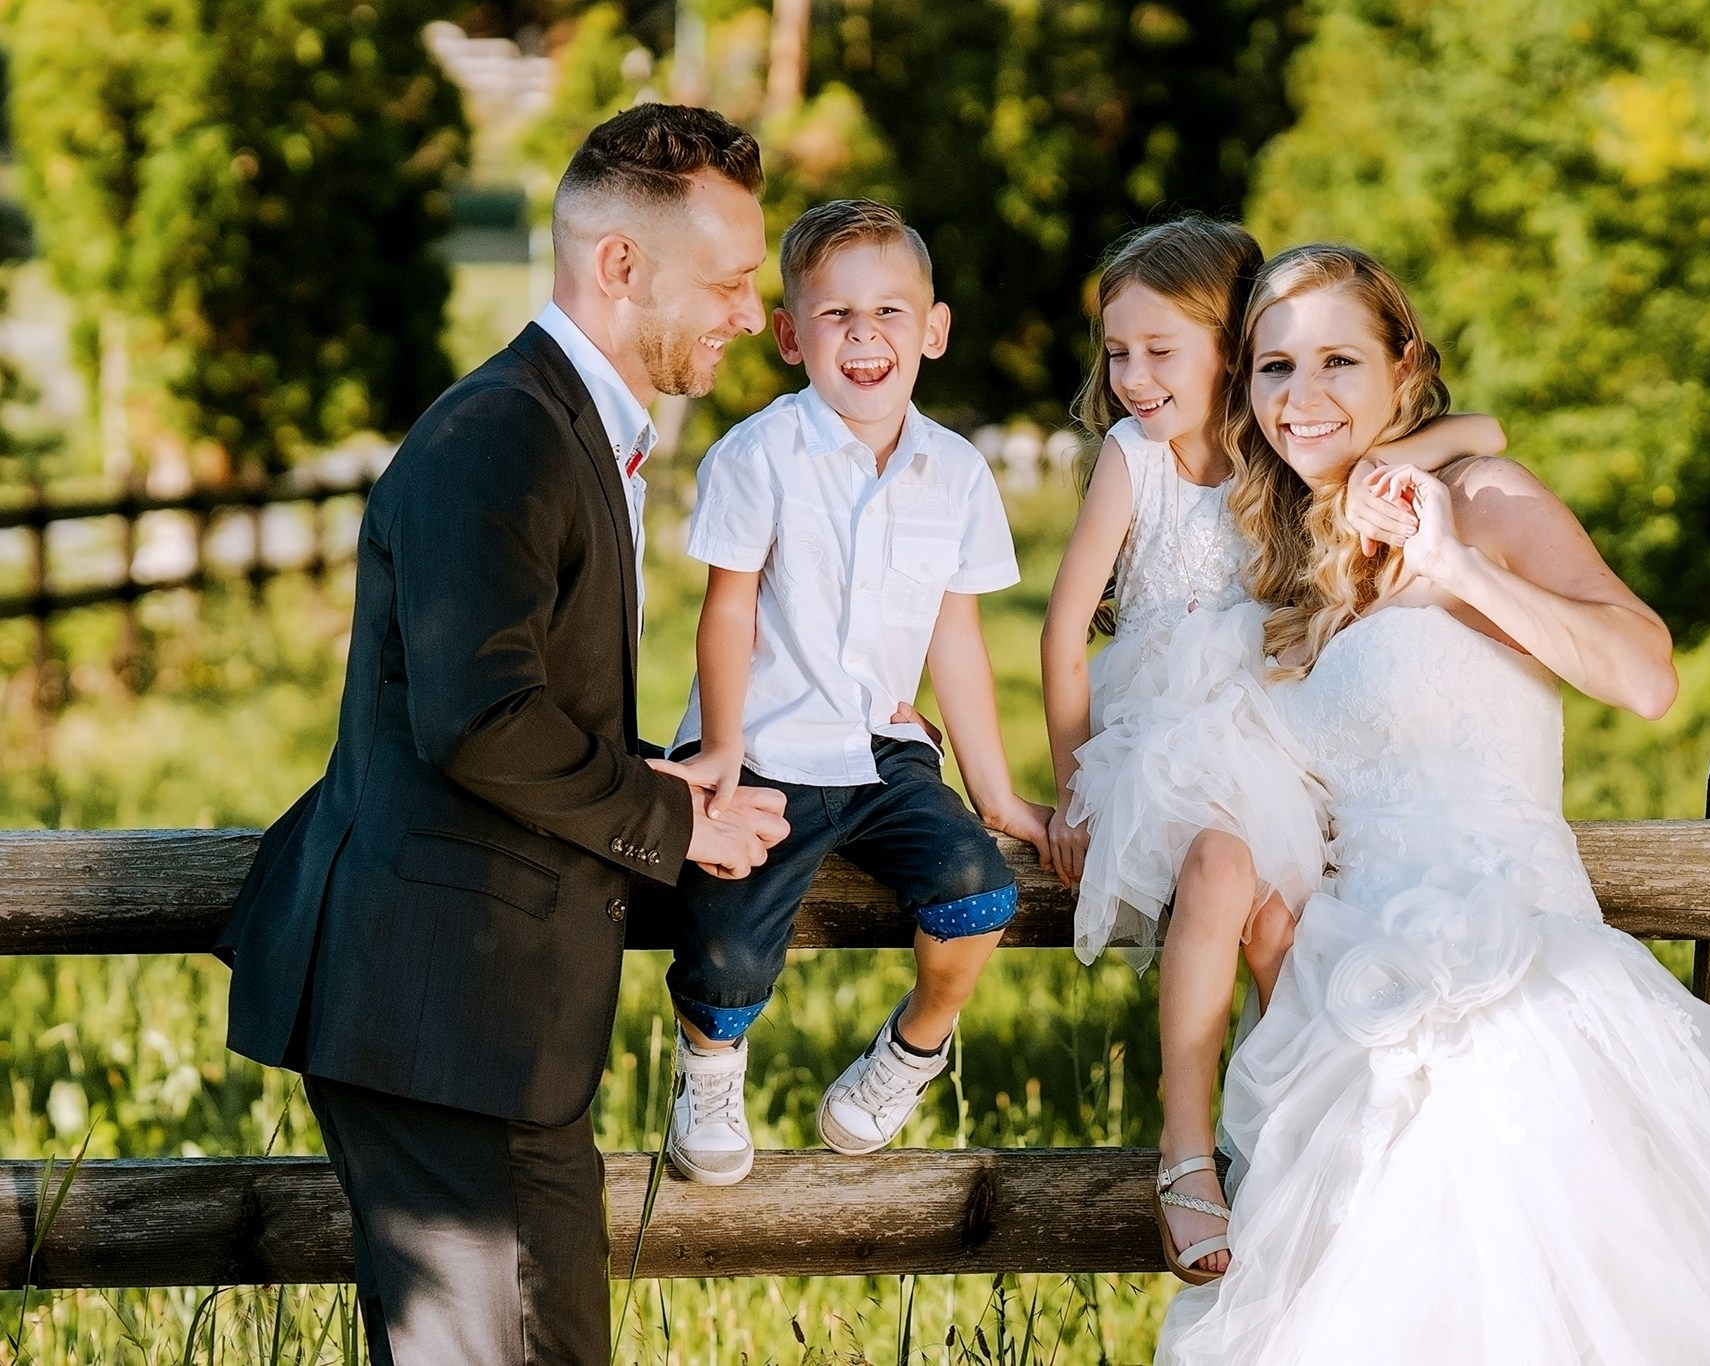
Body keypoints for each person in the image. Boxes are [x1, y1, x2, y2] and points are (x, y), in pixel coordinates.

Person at [1154, 244, 1710, 1364]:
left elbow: (1645, 675)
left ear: (1405, 366)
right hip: (1346, 1005)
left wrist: (1459, 565)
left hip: (1511, 977)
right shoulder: (1302, 559)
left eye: (1339, 360)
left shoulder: (1483, 501)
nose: (1303, 395)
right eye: (1275, 367)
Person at [216, 105, 791, 1366]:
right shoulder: (500, 435)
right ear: (620, 264)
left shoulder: (564, 424)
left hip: (473, 1026)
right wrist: (673, 818)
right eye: (729, 282)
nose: (752, 315)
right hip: (446, 1018)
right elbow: (478, 717)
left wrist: (653, 771)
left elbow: (516, 696)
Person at [1040, 216, 1504, 1283]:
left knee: (1280, 929)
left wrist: (1391, 462)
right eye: (1117, 353)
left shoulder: (1286, 448)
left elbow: (1483, 426)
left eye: (1160, 350)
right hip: (1160, 733)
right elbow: (1062, 635)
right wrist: (1072, 790)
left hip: (1271, 727)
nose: (1131, 378)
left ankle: (1293, 1154)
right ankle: (1183, 1150)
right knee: (1217, 871)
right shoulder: (1134, 457)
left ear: (1230, 349)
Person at [662, 198, 1054, 1185]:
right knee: (727, 949)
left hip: (883, 751)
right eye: (835, 314)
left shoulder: (957, 473)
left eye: (889, 312)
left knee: (978, 890)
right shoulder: (756, 456)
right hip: (763, 744)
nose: (864, 335)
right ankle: (708, 1068)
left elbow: (955, 638)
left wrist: (996, 793)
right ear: (791, 336)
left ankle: (913, 1048)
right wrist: (718, 748)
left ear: (934, 330)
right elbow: (727, 612)